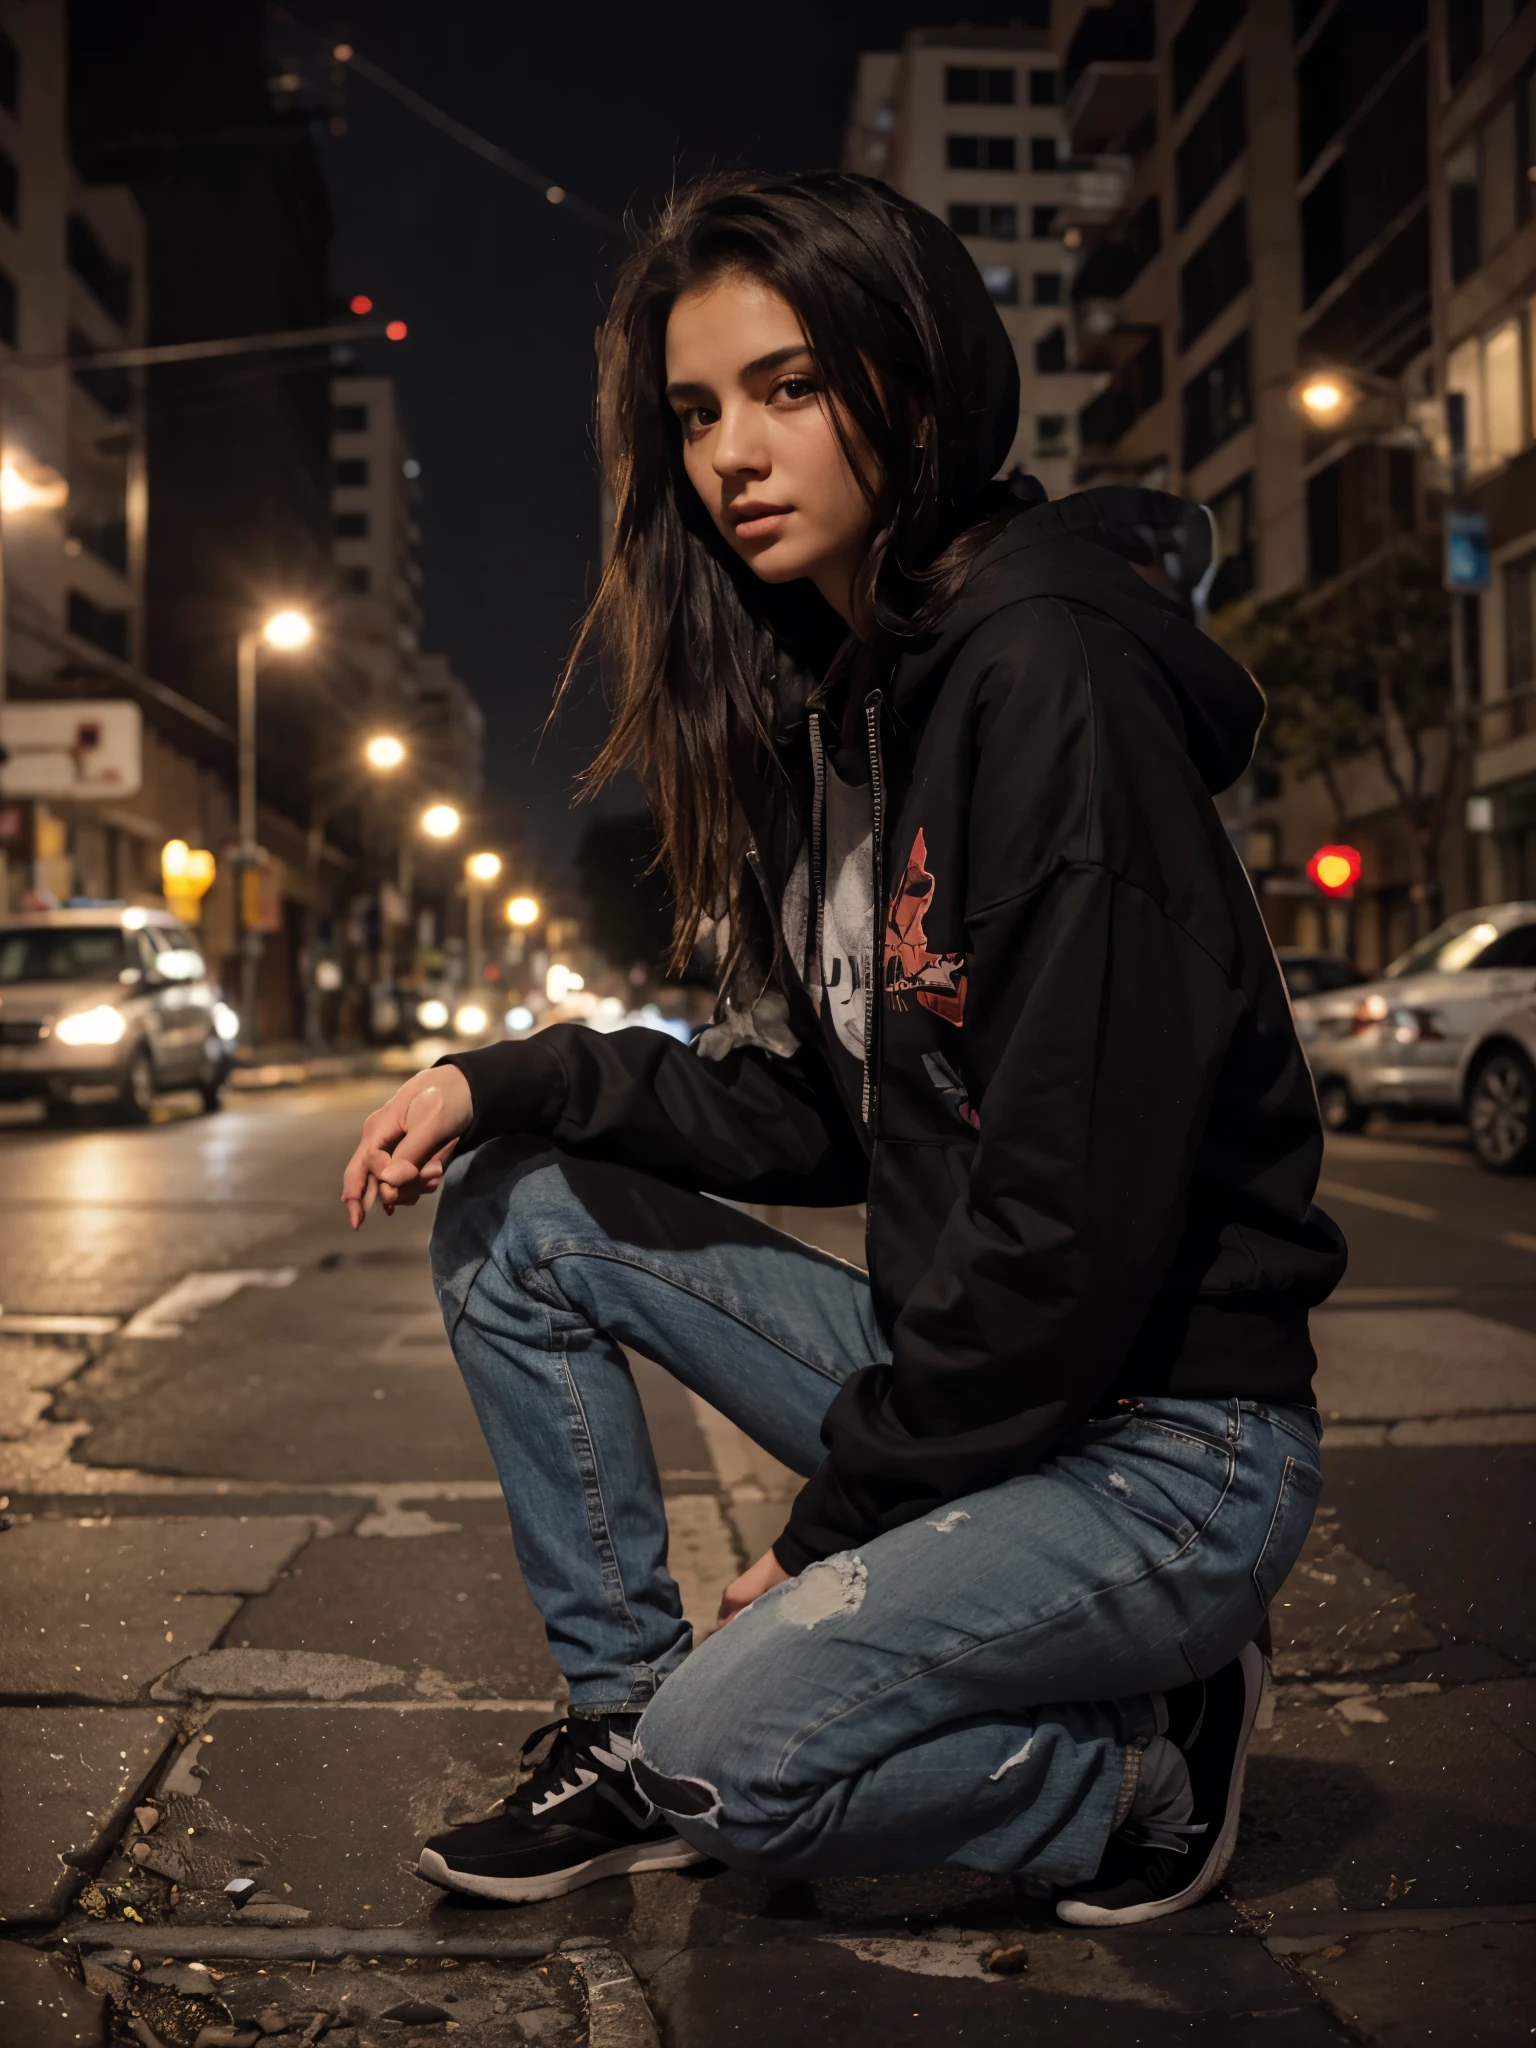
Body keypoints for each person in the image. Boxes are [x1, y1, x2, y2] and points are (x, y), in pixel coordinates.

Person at [341, 171, 1345, 1928]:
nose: (732, 451)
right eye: (698, 412)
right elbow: (818, 1108)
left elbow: (1064, 1228)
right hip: (1002, 1392)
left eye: (791, 387)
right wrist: (500, 1078)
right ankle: (619, 1719)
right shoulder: (854, 702)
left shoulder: (1045, 683)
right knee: (522, 1216)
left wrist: (824, 1532)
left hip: (1168, 1451)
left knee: (736, 1764)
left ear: (918, 374)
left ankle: (1150, 1754)